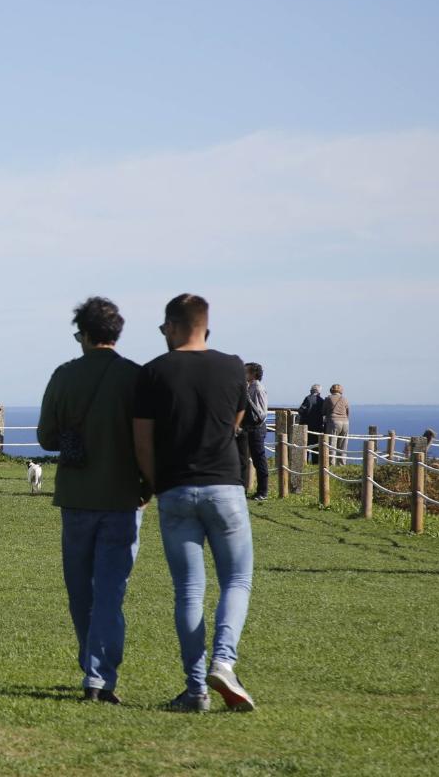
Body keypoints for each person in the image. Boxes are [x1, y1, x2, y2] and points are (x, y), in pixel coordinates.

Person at [133, 293, 255, 712]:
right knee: (236, 581)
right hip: (226, 487)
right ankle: (224, 659)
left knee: (188, 589)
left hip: (176, 489)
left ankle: (195, 689)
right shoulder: (233, 367)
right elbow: (235, 423)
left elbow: (143, 442)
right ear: (206, 325)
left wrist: (155, 484)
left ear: (170, 326)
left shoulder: (153, 373)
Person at [37, 297, 146, 705]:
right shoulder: (135, 377)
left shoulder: (64, 376)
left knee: (80, 589)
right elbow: (148, 440)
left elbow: (47, 437)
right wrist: (147, 484)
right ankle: (100, 675)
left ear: (83, 334)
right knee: (111, 591)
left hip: (77, 495)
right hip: (123, 495)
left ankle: (92, 665)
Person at [241, 363, 269, 501]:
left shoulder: (257, 388)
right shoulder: (250, 386)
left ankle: (263, 491)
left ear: (253, 374)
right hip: (249, 427)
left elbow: (261, 412)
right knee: (249, 459)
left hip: (257, 428)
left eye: (246, 372)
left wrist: (247, 397)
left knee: (259, 460)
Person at [322, 383, 350, 465]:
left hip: (333, 422)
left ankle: (331, 463)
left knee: (332, 443)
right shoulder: (345, 399)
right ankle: (342, 463)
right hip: (345, 422)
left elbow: (323, 411)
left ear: (331, 390)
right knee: (343, 445)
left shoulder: (328, 398)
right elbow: (348, 412)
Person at [296, 384, 325, 464]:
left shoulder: (308, 399)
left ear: (311, 391)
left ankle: (304, 461)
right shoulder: (322, 400)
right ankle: (315, 463)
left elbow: (301, 410)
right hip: (318, 426)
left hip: (307, 425)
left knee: (306, 444)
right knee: (316, 445)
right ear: (319, 392)